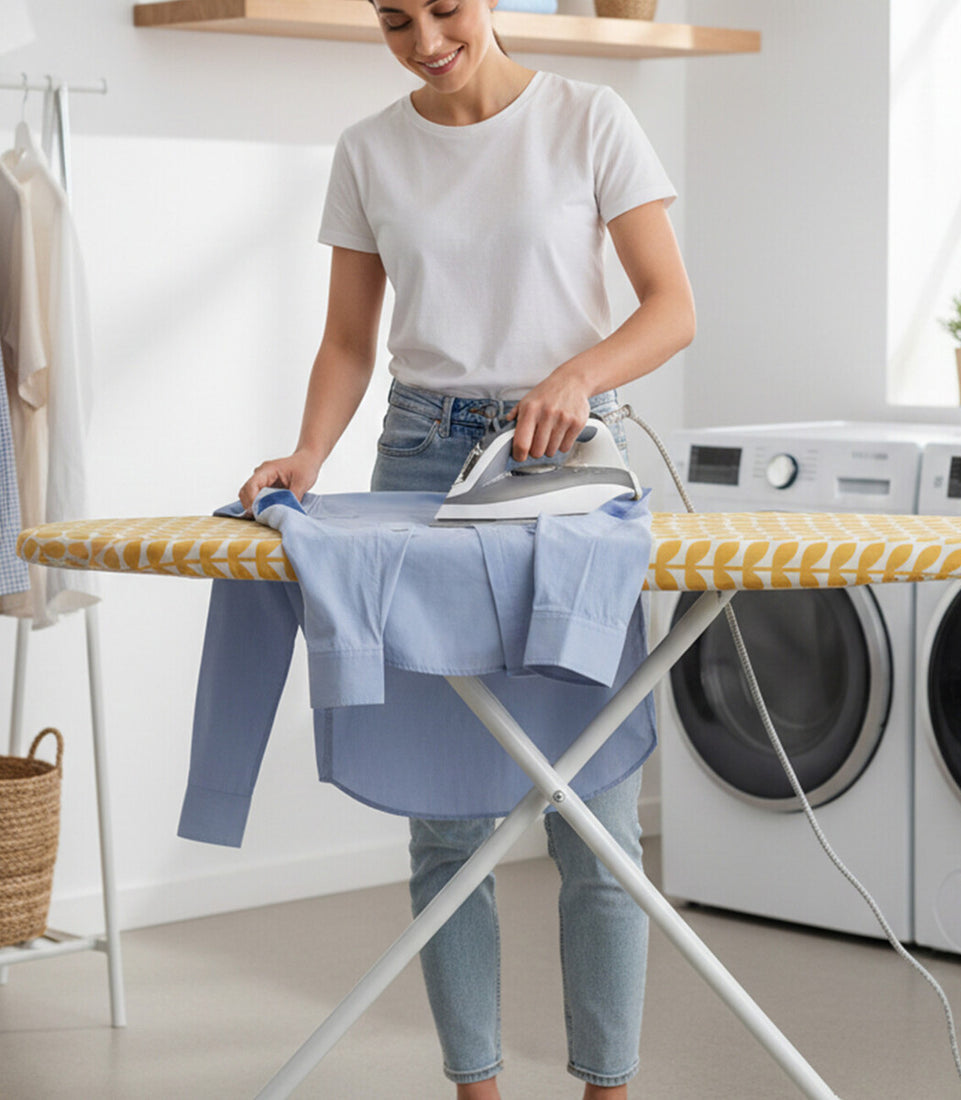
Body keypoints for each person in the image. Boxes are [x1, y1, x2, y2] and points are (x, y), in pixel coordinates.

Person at [239, 2, 694, 1096]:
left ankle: (606, 1085)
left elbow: (670, 306)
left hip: (566, 453)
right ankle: (475, 1086)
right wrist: (307, 449)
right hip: (418, 452)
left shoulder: (590, 118)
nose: (426, 37)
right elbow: (350, 337)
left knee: (595, 811)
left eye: (445, 9)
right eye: (397, 19)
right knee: (447, 810)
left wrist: (578, 372)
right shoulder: (369, 150)